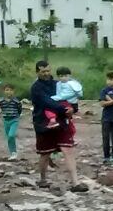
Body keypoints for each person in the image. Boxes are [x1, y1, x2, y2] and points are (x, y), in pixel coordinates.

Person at [30, 60, 83, 191]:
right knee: (45, 153)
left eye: (48, 70)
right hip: (43, 122)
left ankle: (75, 182)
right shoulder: (36, 88)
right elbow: (46, 102)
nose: (46, 73)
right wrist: (64, 110)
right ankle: (42, 179)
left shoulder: (58, 84)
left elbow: (69, 97)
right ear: (37, 72)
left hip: (62, 121)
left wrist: (73, 109)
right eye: (43, 71)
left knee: (67, 149)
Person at [0, 83, 22, 161]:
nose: (9, 92)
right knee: (9, 137)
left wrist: (17, 115)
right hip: (5, 120)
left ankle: (14, 153)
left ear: (13, 91)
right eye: (7, 90)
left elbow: (19, 109)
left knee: (11, 135)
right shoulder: (1, 101)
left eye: (10, 90)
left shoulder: (16, 101)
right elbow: (2, 108)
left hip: (14, 120)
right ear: (4, 91)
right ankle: (12, 153)